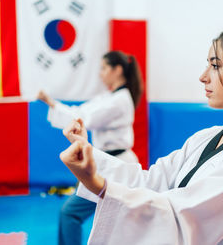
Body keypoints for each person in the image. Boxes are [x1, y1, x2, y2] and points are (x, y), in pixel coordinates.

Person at [59, 25, 223, 245]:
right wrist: (90, 158)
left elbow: (181, 219)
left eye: (215, 65)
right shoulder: (206, 138)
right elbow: (153, 181)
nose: (203, 77)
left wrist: (98, 184)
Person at [38, 50, 144, 245]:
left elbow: (84, 119)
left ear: (117, 70)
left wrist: (51, 102)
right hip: (105, 163)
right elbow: (81, 112)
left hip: (116, 165)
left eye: (104, 68)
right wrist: (51, 103)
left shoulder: (119, 100)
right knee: (78, 215)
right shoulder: (109, 97)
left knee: (70, 214)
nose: (100, 73)